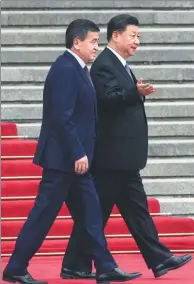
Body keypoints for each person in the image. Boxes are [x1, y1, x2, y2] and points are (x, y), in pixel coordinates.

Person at [2, 19, 142, 284]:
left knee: (91, 214)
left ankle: (105, 266)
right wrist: (78, 152)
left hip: (78, 163)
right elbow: (61, 118)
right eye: (93, 42)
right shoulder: (65, 69)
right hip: (63, 160)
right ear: (76, 43)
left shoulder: (80, 69)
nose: (96, 47)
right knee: (43, 216)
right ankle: (16, 267)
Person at [62, 14, 192, 279]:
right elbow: (108, 99)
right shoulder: (104, 65)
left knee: (132, 211)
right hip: (111, 156)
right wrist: (136, 92)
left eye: (139, 36)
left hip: (122, 159)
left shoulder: (119, 65)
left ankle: (158, 259)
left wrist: (135, 91)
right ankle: (76, 264)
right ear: (116, 36)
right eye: (133, 35)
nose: (137, 41)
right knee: (98, 212)